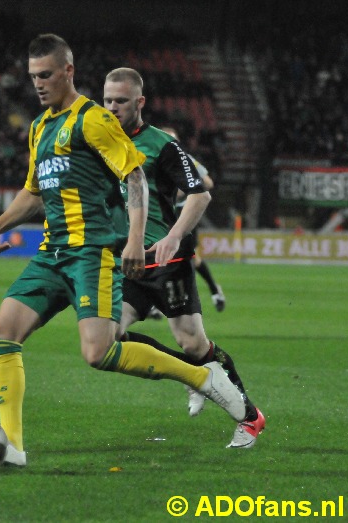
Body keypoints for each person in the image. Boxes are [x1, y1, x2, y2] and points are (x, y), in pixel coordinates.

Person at [0, 34, 247, 467]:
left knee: (99, 353)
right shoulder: (39, 127)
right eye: (33, 76)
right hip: (52, 252)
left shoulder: (93, 119)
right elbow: (34, 191)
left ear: (68, 71)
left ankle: (201, 376)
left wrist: (134, 240)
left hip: (91, 252)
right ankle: (12, 447)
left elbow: (136, 177)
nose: (38, 84)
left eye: (45, 74)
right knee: (0, 335)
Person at [102, 67, 264, 448]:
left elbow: (201, 193)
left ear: (139, 102)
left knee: (193, 344)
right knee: (111, 336)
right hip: (129, 262)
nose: (112, 108)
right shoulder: (99, 142)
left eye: (121, 101)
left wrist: (175, 236)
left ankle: (250, 416)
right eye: (107, 100)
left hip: (167, 261)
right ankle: (193, 376)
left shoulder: (161, 144)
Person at [160, 126, 226, 312]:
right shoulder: (153, 158)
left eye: (172, 140)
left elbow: (208, 182)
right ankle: (155, 302)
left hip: (184, 214)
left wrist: (185, 191)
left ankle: (213, 290)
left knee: (188, 256)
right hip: (162, 214)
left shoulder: (186, 160)